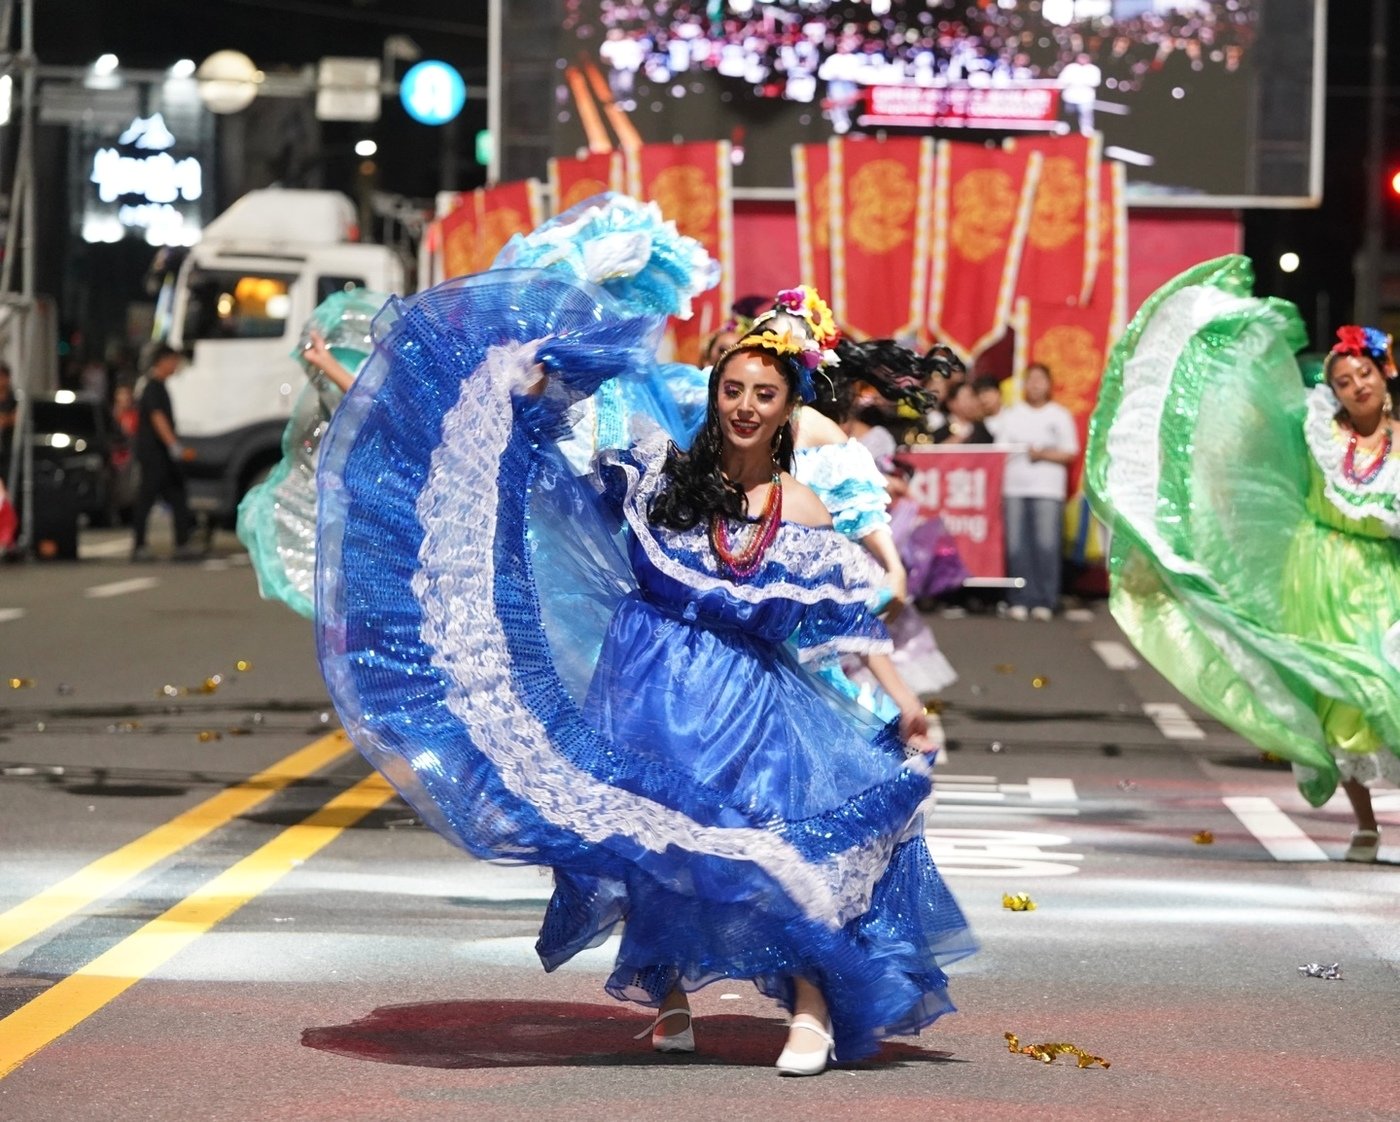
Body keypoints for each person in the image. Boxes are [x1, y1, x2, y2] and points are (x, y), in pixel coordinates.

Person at [315, 202, 974, 1076]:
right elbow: (552, 473)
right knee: (651, 847)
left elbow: (852, 621)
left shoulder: (804, 508)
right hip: (649, 685)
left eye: (762, 396)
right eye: (732, 391)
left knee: (785, 839)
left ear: (788, 412)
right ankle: (666, 993)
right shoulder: (657, 475)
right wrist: (532, 391)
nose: (743, 407)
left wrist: (908, 704)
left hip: (751, 701)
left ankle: (812, 1012)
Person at [1085, 256, 1400, 862]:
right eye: (1343, 380)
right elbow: (1245, 440)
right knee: (1342, 696)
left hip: (1383, 576)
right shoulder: (1312, 430)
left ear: (1385, 376)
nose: (1356, 386)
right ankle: (1365, 825)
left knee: (1388, 686)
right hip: (1320, 572)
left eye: (1364, 375)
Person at [236, 289, 385, 618]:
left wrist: (325, 362)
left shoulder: (372, 371)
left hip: (367, 494)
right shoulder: (335, 382)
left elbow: (368, 402)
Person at [995, 363, 1079, 620]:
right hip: (1015, 487)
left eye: (1040, 380)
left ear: (1049, 384)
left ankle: (1046, 599)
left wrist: (1042, 454)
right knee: (1017, 546)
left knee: (1046, 545)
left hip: (1048, 489)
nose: (1035, 385)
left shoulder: (1060, 415)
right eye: (1030, 380)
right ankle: (1019, 598)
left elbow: (1070, 452)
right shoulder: (1011, 414)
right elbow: (999, 449)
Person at [131, 343, 197, 562]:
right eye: (174, 361)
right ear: (163, 361)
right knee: (147, 498)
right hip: (154, 454)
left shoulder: (158, 386)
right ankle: (139, 546)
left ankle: (182, 543)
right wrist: (174, 446)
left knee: (177, 495)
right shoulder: (153, 388)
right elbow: (158, 418)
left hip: (162, 455)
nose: (176, 365)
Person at [973, 374, 1005, 439]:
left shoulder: (1013, 416)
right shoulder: (976, 424)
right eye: (978, 394)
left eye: (986, 391)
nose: (982, 398)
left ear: (998, 392)